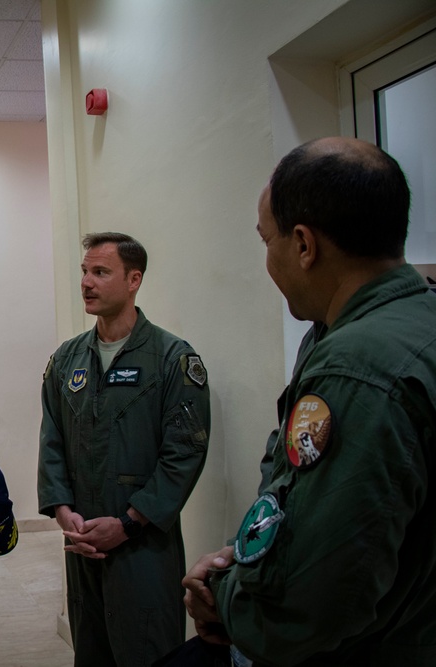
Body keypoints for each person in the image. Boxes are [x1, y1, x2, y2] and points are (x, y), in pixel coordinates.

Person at [183, 137, 436, 665]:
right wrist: (248, 554)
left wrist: (225, 604)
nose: (267, 259)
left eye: (265, 240)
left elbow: (316, 593)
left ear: (303, 244)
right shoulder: (409, 323)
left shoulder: (355, 368)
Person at [38, 232, 211, 667]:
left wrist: (129, 523)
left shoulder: (171, 359)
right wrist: (62, 510)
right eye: (84, 271)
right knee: (91, 650)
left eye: (100, 272)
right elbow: (52, 438)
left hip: (143, 547)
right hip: (83, 546)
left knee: (148, 651)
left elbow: (183, 455)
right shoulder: (67, 359)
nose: (86, 283)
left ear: (134, 280)